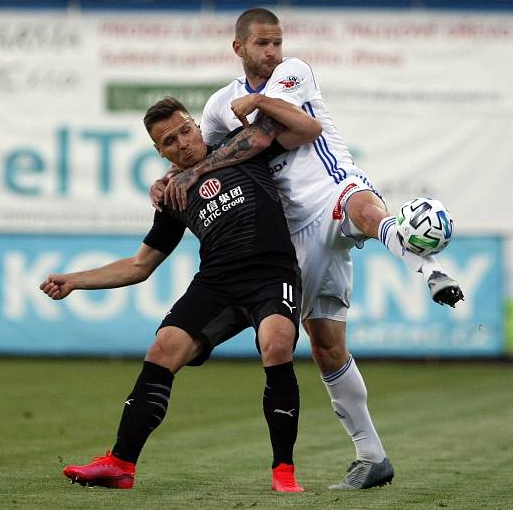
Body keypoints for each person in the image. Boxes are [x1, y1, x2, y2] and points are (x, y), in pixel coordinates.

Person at [152, 8, 464, 490]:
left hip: (333, 188)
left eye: (277, 42)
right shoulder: (218, 106)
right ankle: (372, 456)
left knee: (363, 207)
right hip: (291, 232)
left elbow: (278, 130)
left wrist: (258, 100)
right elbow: (210, 155)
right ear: (240, 48)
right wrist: (173, 176)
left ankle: (429, 269)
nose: (272, 51)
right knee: (325, 346)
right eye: (262, 44)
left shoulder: (294, 72)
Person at [40, 96, 322, 492]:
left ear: (196, 126)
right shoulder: (172, 196)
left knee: (276, 344)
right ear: (158, 151)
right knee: (162, 348)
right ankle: (121, 464)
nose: (182, 143)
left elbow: (310, 129)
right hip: (217, 282)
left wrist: (259, 100)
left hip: (271, 274)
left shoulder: (240, 146)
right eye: (169, 141)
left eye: (185, 131)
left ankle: (283, 472)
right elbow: (140, 265)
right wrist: (74, 280)